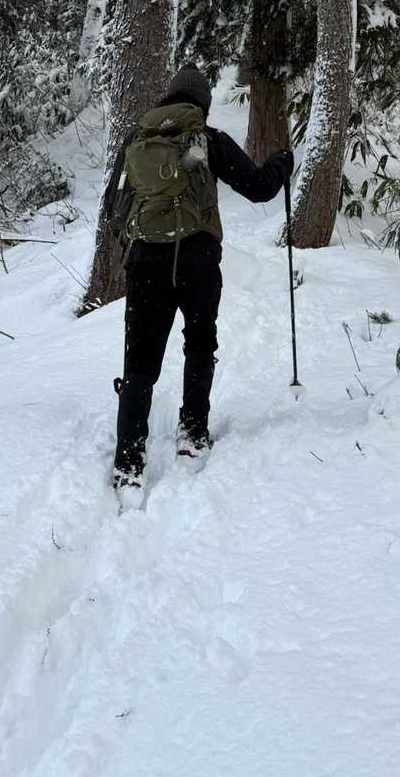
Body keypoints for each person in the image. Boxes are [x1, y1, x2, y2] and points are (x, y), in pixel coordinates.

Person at [103, 64, 293, 499]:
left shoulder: (136, 140)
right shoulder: (207, 139)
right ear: (203, 105)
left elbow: (113, 207)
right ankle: (192, 433)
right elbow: (260, 188)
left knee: (139, 362)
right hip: (198, 260)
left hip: (146, 263)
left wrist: (136, 248)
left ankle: (128, 461)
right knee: (200, 344)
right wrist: (281, 163)